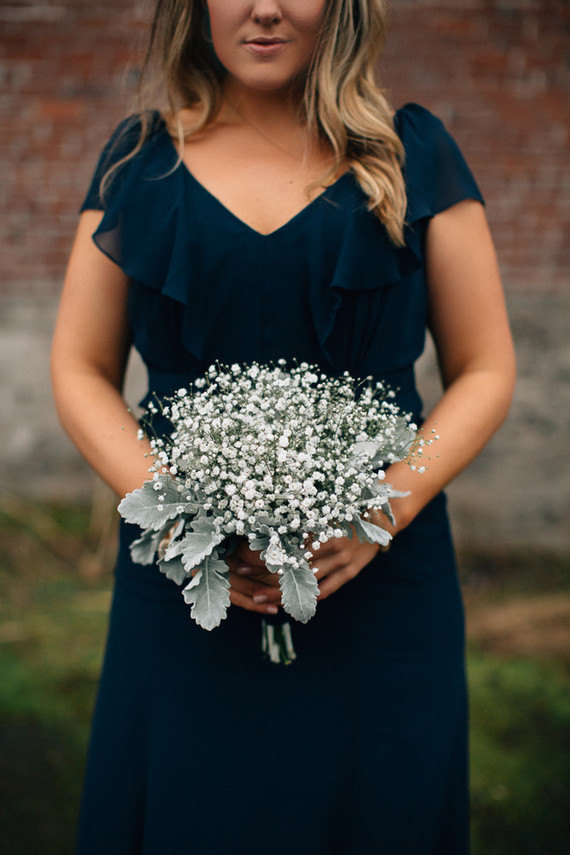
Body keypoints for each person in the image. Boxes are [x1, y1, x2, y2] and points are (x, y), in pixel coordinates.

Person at [51, 1, 516, 852]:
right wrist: (188, 520)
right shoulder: (141, 163)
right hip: (185, 598)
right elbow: (79, 370)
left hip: (383, 592)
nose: (264, 7)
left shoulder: (414, 155)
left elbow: (485, 367)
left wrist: (382, 511)